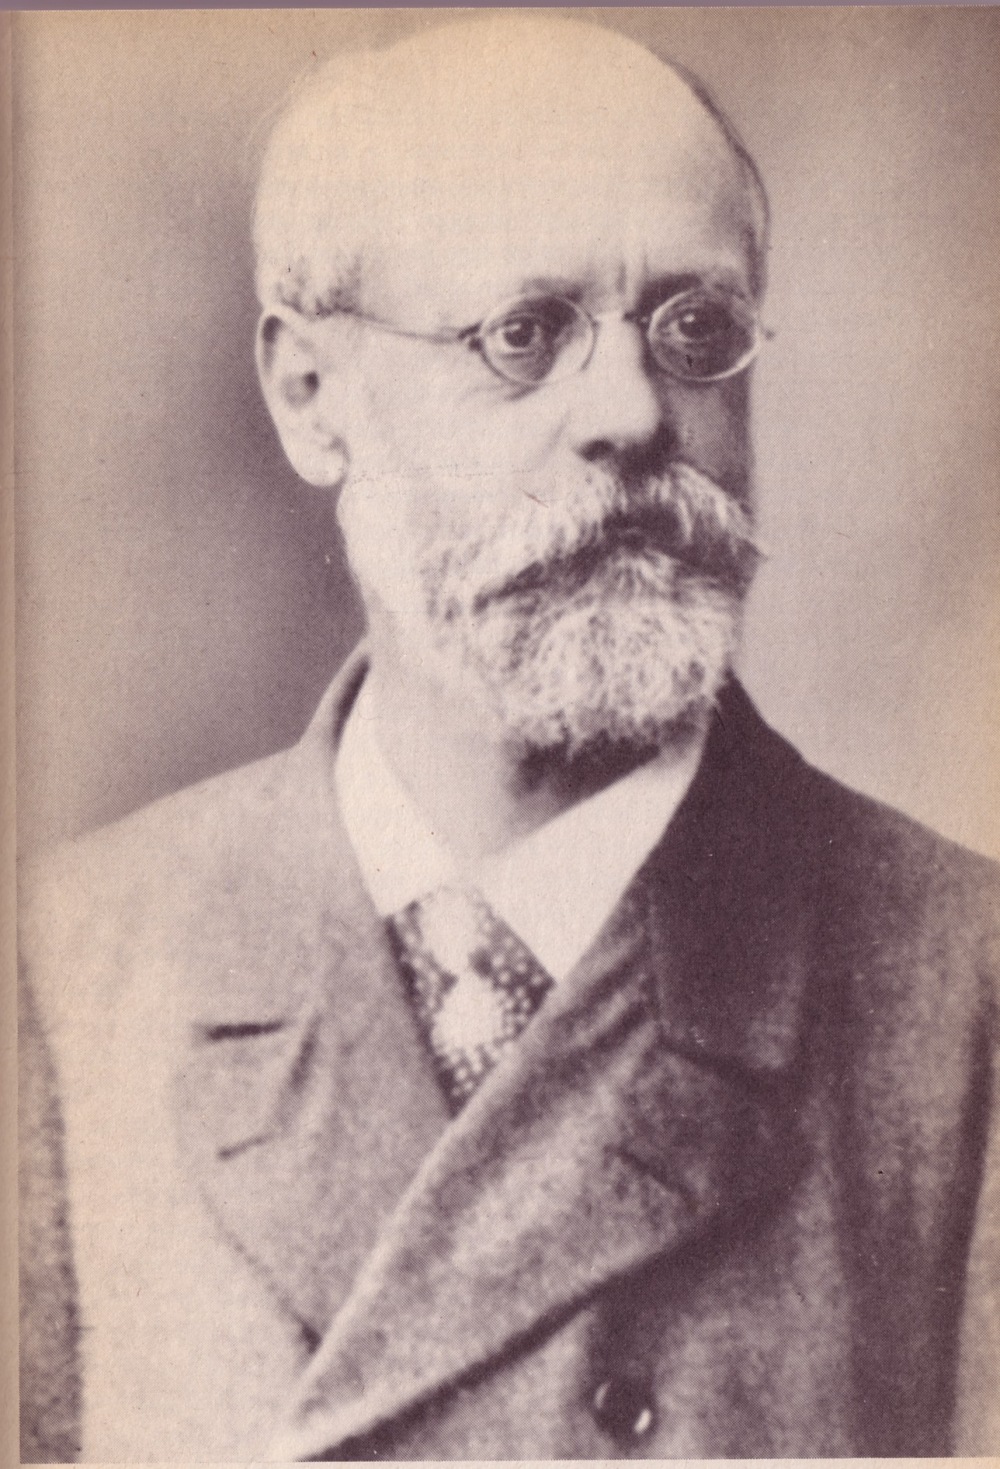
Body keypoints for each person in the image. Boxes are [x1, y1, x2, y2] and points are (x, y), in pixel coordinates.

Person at [18, 14, 1000, 1461]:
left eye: (695, 330)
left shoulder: (965, 995)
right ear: (310, 396)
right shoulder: (63, 978)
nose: (632, 413)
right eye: (524, 335)